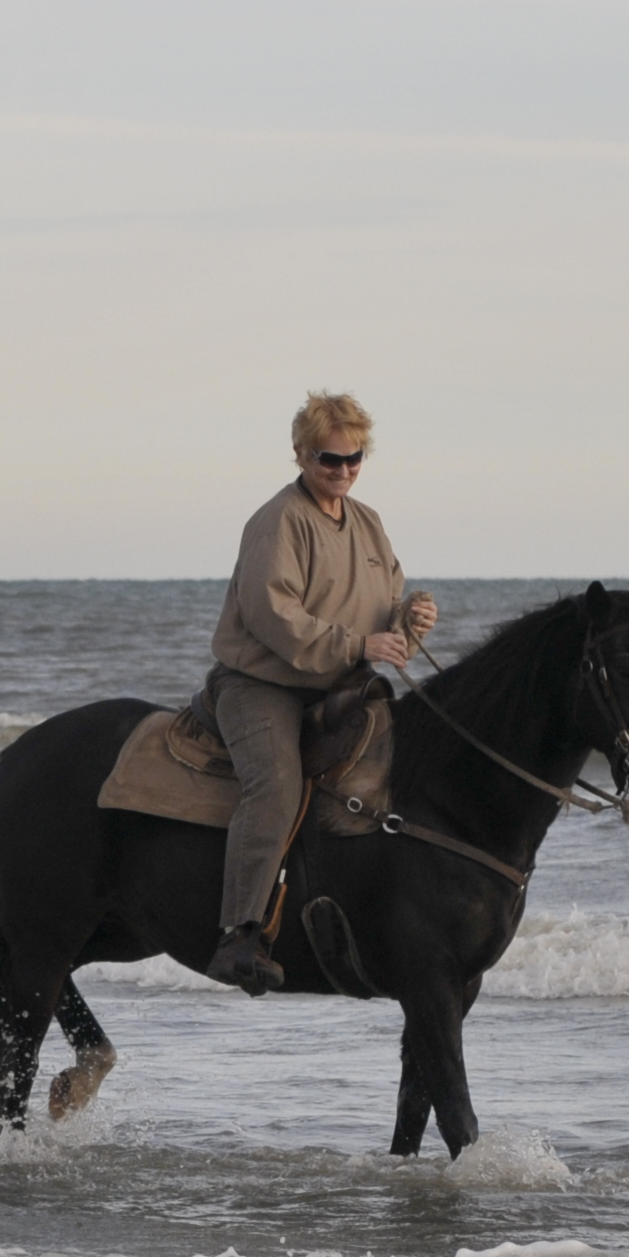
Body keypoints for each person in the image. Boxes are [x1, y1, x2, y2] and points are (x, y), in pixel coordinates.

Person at [204, 391, 435, 997]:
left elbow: (384, 606)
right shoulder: (278, 521)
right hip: (264, 684)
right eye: (331, 459)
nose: (344, 471)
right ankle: (238, 934)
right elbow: (271, 615)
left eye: (355, 458)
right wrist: (359, 646)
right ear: (302, 455)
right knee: (275, 786)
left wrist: (411, 616)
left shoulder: (368, 522)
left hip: (340, 684)